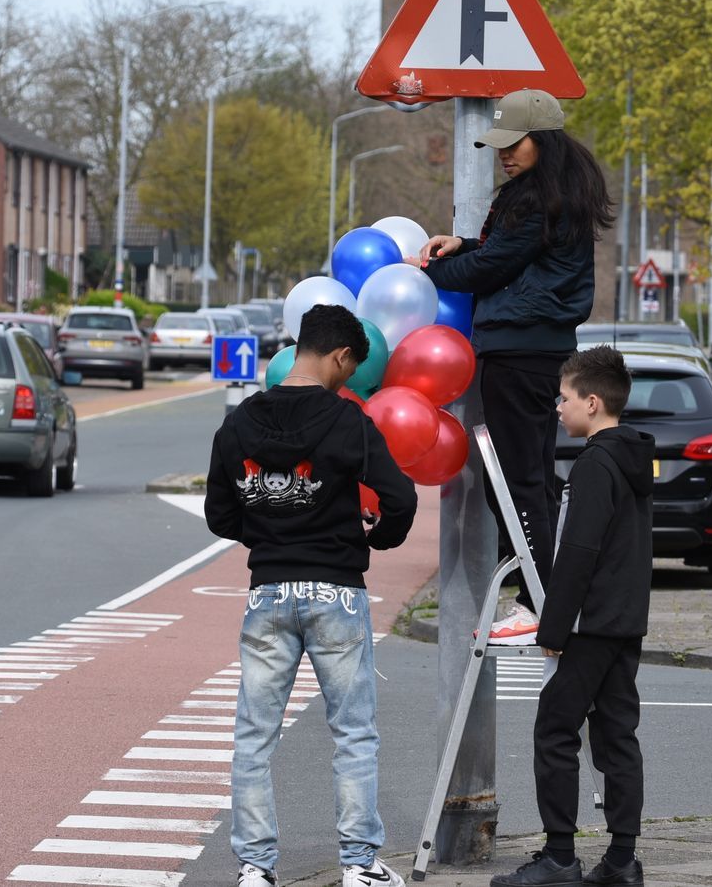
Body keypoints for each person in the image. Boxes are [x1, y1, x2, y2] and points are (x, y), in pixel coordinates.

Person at [205, 303, 420, 887]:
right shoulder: (348, 422)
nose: (349, 380)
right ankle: (358, 866)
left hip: (268, 593)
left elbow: (219, 514)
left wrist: (269, 531)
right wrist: (378, 535)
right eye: (351, 370)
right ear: (341, 357)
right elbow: (400, 497)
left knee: (255, 734)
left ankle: (254, 868)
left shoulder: (240, 423)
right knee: (352, 734)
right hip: (337, 594)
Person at [417, 88, 612, 643]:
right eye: (498, 145)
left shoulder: (535, 200)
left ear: (542, 142)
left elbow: (494, 266)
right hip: (541, 349)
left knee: (516, 480)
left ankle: (538, 601)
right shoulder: (554, 194)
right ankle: (544, 595)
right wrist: (463, 245)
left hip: (517, 350)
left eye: (513, 143)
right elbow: (499, 254)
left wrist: (422, 274)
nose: (502, 154)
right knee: (534, 477)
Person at [492, 345, 653, 887]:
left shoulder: (594, 465)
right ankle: (622, 860)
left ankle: (560, 857)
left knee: (555, 731)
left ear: (592, 402)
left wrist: (552, 627)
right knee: (616, 738)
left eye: (563, 399)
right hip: (624, 623)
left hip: (587, 627)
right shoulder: (631, 459)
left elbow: (579, 551)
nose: (556, 408)